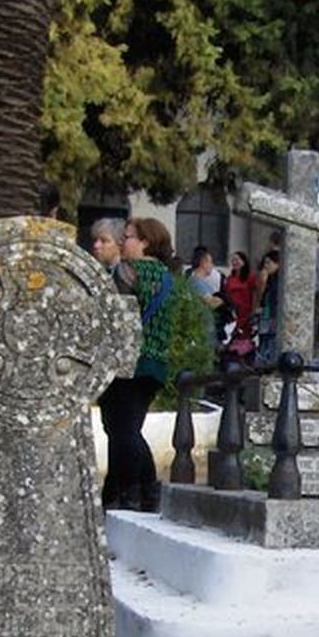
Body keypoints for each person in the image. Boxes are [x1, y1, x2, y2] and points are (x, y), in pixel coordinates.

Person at [97, 215, 177, 512]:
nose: (122, 242)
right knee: (129, 428)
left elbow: (110, 311)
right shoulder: (167, 276)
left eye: (127, 237)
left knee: (121, 429)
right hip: (154, 364)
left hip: (128, 362)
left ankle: (132, 491)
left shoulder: (127, 271)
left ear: (144, 242)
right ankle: (145, 489)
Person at [254, 249, 281, 366]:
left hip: (274, 318)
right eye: (265, 263)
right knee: (264, 343)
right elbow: (260, 298)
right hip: (266, 317)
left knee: (271, 344)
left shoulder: (279, 280)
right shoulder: (268, 279)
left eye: (268, 263)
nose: (266, 266)